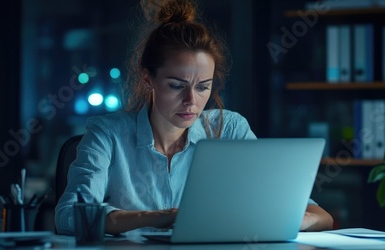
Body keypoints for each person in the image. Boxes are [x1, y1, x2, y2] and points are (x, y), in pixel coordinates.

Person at [55, 0, 333, 235]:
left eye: (203, 87)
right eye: (176, 85)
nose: (192, 101)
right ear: (147, 79)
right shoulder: (108, 133)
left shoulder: (229, 129)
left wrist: (292, 219)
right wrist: (166, 216)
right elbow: (69, 216)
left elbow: (320, 215)